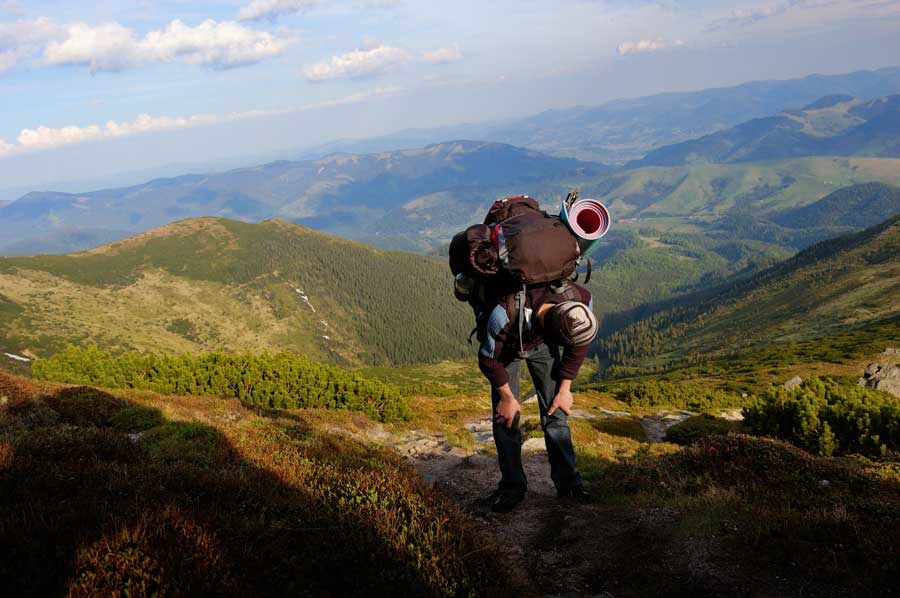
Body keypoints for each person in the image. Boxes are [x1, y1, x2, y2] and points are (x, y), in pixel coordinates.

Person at [474, 280, 598, 513]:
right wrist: (508, 399)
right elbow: (488, 359)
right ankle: (512, 488)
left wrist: (564, 390)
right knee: (506, 419)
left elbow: (578, 347)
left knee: (556, 412)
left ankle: (569, 485)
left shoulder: (580, 302)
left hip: (542, 341)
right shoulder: (503, 312)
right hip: (507, 345)